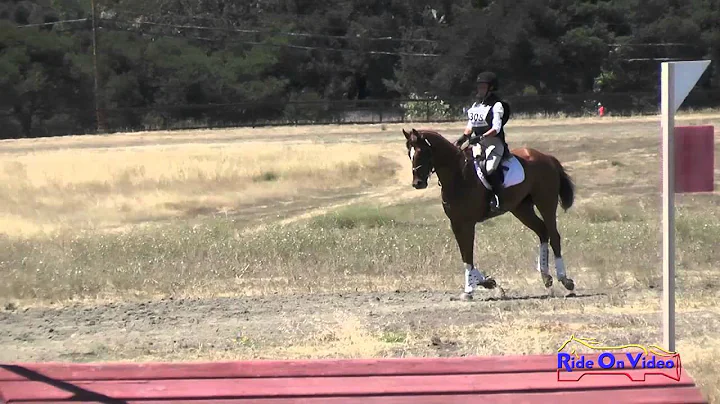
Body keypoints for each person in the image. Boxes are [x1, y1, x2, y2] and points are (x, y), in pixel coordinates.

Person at [454, 71, 510, 213]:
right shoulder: (476, 105)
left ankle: (498, 198)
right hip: (478, 144)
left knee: (489, 168)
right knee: (465, 164)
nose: (480, 89)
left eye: (483, 86)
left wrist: (480, 137)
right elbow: (470, 126)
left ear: (491, 88)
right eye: (479, 86)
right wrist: (463, 138)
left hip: (494, 143)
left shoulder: (497, 105)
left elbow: (496, 128)